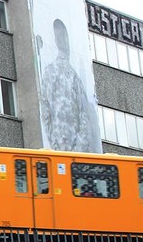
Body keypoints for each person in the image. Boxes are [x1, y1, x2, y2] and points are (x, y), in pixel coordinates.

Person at [39, 19, 101, 153]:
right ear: (55, 41)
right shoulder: (50, 72)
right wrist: (54, 144)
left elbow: (85, 115)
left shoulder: (74, 77)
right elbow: (45, 112)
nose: (62, 41)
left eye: (64, 36)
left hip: (72, 152)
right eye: (59, 37)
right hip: (61, 151)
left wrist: (79, 147)